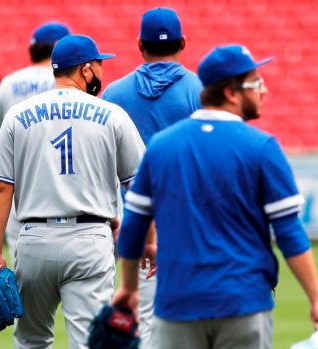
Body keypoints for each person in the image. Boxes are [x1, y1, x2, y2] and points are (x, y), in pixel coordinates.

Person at [112, 44, 318, 349]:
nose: (264, 90)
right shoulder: (261, 147)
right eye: (255, 83)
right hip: (243, 303)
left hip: (178, 303)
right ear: (231, 93)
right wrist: (317, 299)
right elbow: (289, 231)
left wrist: (128, 287)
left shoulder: (162, 146)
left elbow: (135, 224)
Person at [0, 34, 146, 349]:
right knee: (88, 342)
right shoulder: (111, 114)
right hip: (89, 238)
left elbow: (2, 187)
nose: (101, 71)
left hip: (34, 239)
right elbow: (137, 185)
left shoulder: (18, 115)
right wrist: (149, 241)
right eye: (98, 64)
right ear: (85, 69)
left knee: (31, 340)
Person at [100, 7, 203, 345]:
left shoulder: (114, 95)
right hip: (196, 226)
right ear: (183, 42)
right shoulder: (202, 92)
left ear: (140, 44)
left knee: (145, 328)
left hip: (137, 228)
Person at [0, 21, 71, 266]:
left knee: (25, 272)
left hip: (21, 190)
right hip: (69, 184)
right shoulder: (71, 80)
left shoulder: (9, 83)